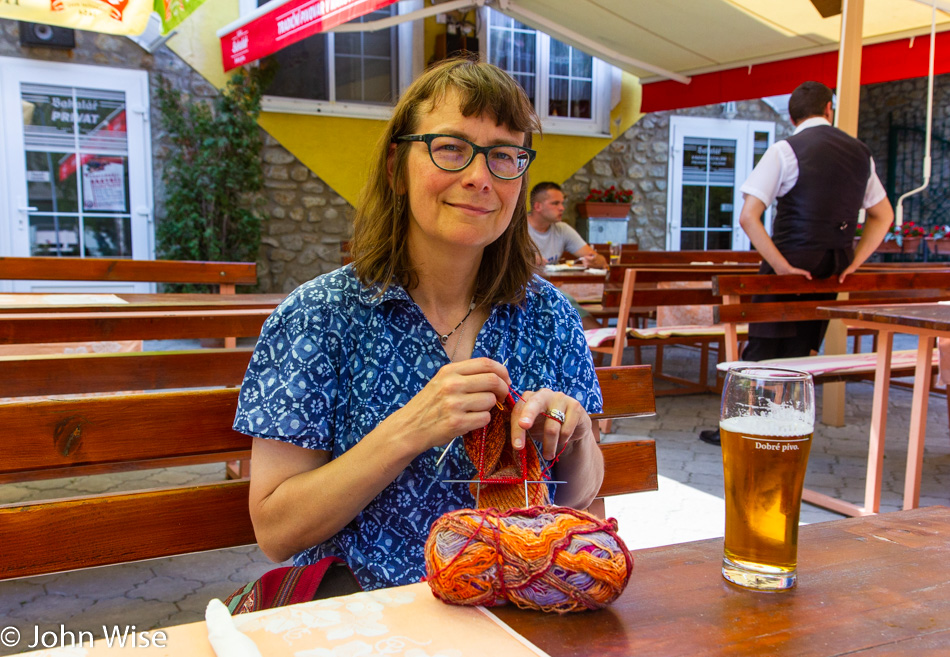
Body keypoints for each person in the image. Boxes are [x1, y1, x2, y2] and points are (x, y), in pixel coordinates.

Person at [233, 58, 605, 592]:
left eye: (504, 155)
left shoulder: (548, 316)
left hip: (514, 604)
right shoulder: (320, 315)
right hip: (365, 612)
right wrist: (411, 428)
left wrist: (576, 439)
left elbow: (578, 496)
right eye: (451, 148)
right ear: (395, 169)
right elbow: (276, 531)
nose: (480, 177)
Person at [699, 80, 894, 446]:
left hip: (789, 265)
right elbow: (883, 216)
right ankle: (781, 427)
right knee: (802, 350)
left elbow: (748, 216)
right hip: (831, 270)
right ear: (828, 109)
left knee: (762, 349)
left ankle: (743, 432)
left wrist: (782, 266)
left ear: (792, 116)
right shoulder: (860, 153)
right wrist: (854, 262)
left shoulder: (786, 149)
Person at [527, 182, 608, 269]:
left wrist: (596, 261)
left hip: (553, 282)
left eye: (562, 203)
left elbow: (598, 258)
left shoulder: (562, 229)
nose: (562, 208)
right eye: (555, 203)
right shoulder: (517, 228)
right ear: (538, 206)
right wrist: (525, 260)